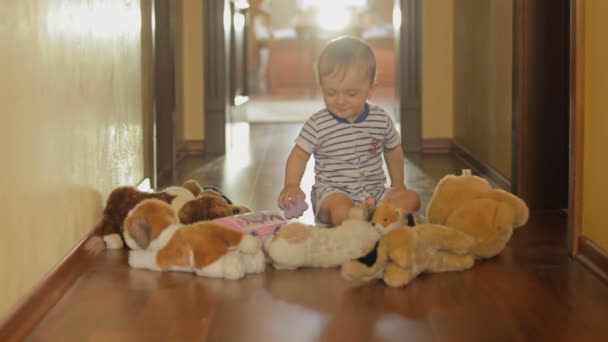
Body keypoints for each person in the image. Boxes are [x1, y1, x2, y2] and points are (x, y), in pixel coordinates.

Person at [277, 36, 420, 226]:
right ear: (322, 87)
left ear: (370, 89)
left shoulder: (380, 119)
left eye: (351, 94)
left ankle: (373, 218)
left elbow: (393, 149)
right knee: (340, 210)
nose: (340, 100)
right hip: (333, 193)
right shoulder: (318, 124)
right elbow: (299, 155)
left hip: (375, 193)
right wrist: (292, 184)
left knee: (411, 199)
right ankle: (368, 221)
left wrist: (398, 184)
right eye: (331, 93)